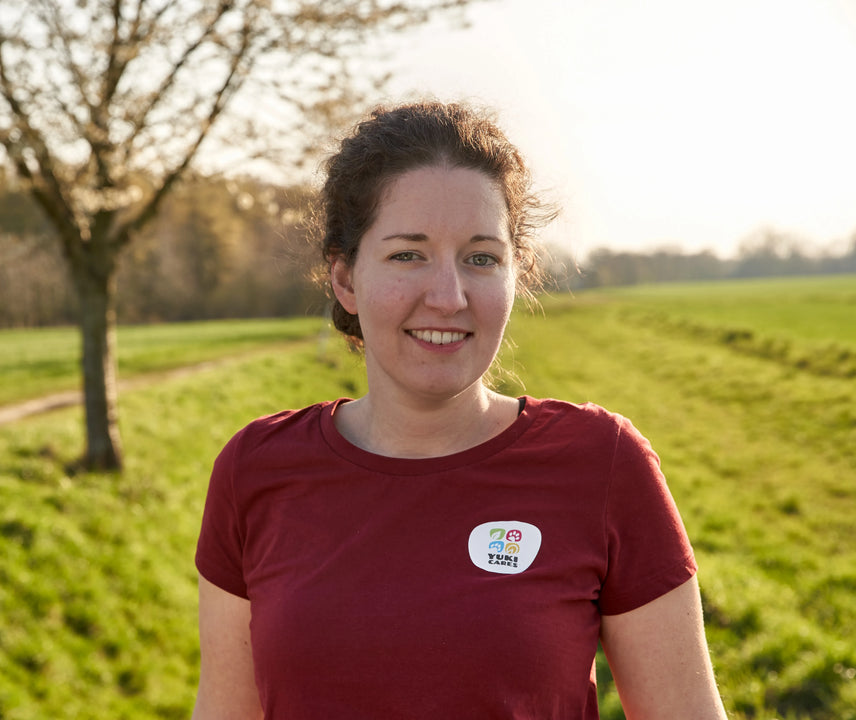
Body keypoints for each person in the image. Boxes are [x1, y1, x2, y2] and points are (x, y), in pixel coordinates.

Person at [192, 100, 727, 719]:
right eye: (407, 254)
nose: (448, 297)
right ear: (344, 280)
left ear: (515, 274)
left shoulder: (602, 463)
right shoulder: (255, 470)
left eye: (481, 258)